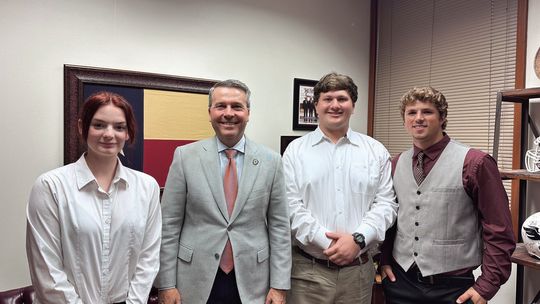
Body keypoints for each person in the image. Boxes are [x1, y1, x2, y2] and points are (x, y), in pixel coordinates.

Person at [155, 79, 291, 304]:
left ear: (248, 113)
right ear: (210, 112)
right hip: (194, 279)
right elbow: (169, 225)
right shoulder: (185, 157)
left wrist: (279, 285)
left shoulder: (272, 161)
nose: (229, 113)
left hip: (253, 281)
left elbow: (279, 228)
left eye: (237, 106)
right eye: (221, 106)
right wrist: (166, 284)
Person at [380, 87, 516, 304]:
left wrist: (487, 285)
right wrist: (384, 259)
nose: (419, 118)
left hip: (453, 289)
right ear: (404, 119)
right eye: (411, 112)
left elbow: (499, 229)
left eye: (427, 112)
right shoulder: (395, 164)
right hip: (401, 283)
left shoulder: (475, 163)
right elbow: (391, 218)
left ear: (442, 117)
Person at [26, 91, 162, 304]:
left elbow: (149, 258)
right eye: (99, 125)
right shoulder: (51, 186)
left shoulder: (147, 187)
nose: (109, 134)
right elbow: (46, 269)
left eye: (119, 127)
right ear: (82, 127)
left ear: (128, 133)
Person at [282, 72, 398, 304]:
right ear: (316, 105)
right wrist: (331, 245)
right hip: (308, 274)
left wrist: (357, 239)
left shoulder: (375, 151)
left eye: (342, 99)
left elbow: (386, 204)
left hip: (358, 273)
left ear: (353, 105)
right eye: (328, 99)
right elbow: (290, 207)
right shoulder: (295, 151)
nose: (335, 105)